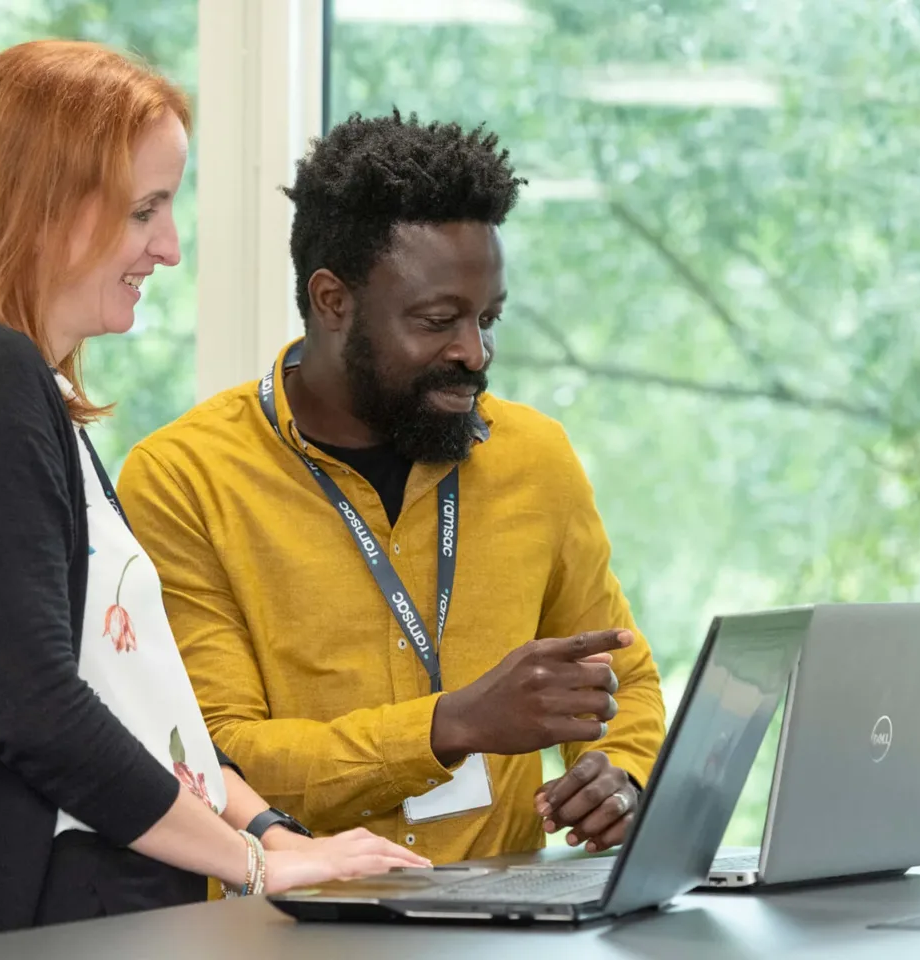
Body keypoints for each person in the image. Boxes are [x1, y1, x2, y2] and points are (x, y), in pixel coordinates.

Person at [0, 42, 424, 952]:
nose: (169, 248)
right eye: (144, 210)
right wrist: (255, 868)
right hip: (39, 917)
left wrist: (272, 834)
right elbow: (33, 709)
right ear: (40, 208)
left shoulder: (28, 397)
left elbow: (144, 710)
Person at [114, 111, 666, 868]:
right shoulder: (185, 479)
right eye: (438, 321)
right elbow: (217, 759)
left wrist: (623, 778)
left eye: (488, 319)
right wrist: (446, 727)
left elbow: (622, 680)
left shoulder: (535, 457)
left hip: (508, 925)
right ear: (333, 301)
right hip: (292, 931)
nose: (473, 353)